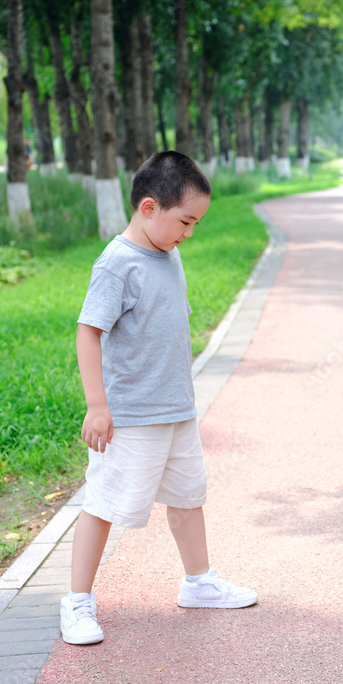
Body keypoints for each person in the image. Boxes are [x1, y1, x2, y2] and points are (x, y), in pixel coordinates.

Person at [62, 151, 257, 646]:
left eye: (195, 223)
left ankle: (199, 583)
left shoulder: (168, 252)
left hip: (175, 410)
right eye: (185, 221)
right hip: (131, 415)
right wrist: (98, 406)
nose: (188, 232)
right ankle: (77, 602)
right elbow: (88, 333)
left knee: (189, 497)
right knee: (105, 504)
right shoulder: (117, 264)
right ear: (149, 208)